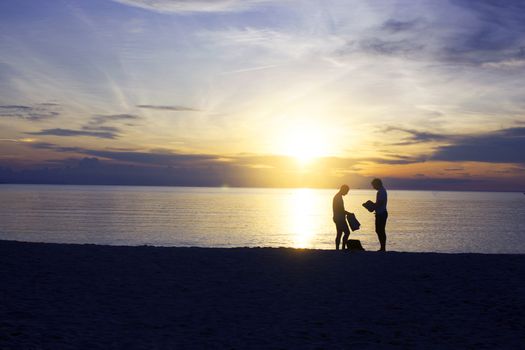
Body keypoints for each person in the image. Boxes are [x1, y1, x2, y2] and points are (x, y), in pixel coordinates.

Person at [370, 178, 388, 251]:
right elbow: (380, 203)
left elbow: (380, 203)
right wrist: (373, 206)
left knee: (380, 230)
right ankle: (382, 247)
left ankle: (383, 247)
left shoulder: (381, 192)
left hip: (381, 214)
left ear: (377, 184)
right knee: (380, 230)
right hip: (381, 213)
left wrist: (372, 206)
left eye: (374, 185)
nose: (373, 187)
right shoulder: (382, 191)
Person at [333, 184, 351, 250]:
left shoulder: (338, 196)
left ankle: (337, 249)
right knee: (347, 232)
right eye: (346, 191)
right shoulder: (338, 197)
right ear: (343, 190)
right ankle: (342, 248)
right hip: (339, 218)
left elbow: (340, 209)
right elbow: (340, 209)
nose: (347, 193)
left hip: (338, 218)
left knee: (339, 233)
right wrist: (348, 213)